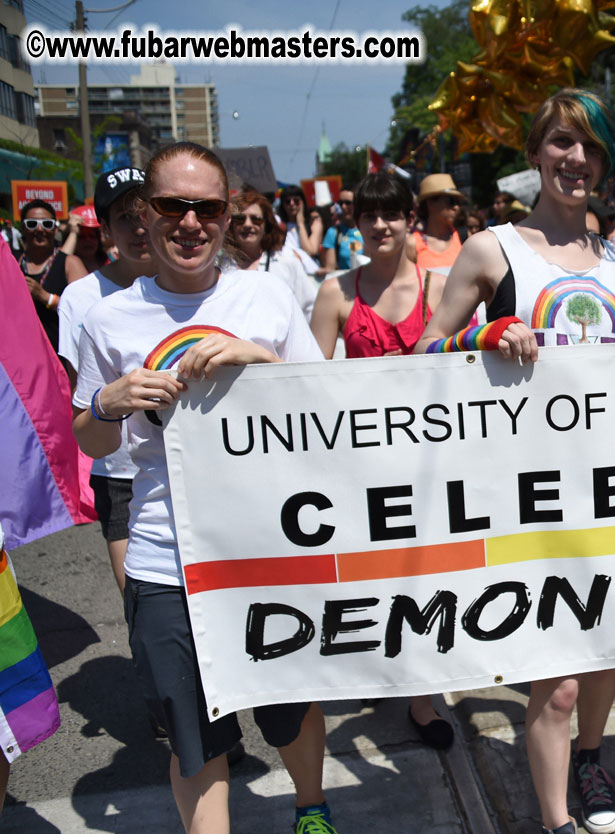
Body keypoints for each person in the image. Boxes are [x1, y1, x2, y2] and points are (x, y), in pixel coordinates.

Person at [417, 88, 615, 834]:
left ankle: (589, 757)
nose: (573, 158)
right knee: (555, 682)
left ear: (603, 159)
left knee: (607, 647)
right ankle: (554, 821)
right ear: (533, 154)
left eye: (587, 145)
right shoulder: (492, 249)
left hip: (611, 492)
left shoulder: (613, 257)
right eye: (558, 141)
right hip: (530, 499)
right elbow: (419, 352)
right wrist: (477, 340)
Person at [71, 143, 338, 834]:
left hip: (270, 546)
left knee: (287, 705)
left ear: (227, 215)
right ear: (144, 216)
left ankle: (310, 806)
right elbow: (92, 444)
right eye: (171, 206)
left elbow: (322, 415)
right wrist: (108, 401)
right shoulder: (109, 319)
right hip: (166, 559)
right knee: (193, 736)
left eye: (207, 207)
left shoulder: (265, 295)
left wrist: (261, 360)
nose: (190, 222)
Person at [309, 172, 452, 749]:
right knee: (373, 576)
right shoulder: (334, 293)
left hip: (431, 460)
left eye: (392, 214)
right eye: (370, 216)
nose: (381, 225)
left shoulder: (439, 286)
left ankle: (423, 695)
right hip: (361, 463)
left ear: (408, 219)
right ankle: (380, 658)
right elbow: (305, 380)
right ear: (357, 224)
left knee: (430, 571)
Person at [56, 167, 150, 596]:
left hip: (194, 462)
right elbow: (81, 392)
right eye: (123, 217)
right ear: (108, 230)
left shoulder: (194, 284)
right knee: (141, 605)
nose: (139, 226)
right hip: (120, 471)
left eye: (146, 210)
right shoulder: (81, 297)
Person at [225, 188, 320, 321]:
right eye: (240, 219)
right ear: (231, 225)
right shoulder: (220, 267)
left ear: (267, 225)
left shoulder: (287, 263)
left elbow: (311, 307)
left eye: (256, 219)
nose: (247, 224)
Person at [20, 199, 88, 351]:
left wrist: (45, 297)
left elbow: (85, 310)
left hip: (57, 355)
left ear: (56, 230)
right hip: (18, 355)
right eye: (32, 224)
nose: (39, 229)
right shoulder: (12, 262)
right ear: (23, 228)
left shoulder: (69, 263)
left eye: (47, 224)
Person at [408, 173, 468, 318]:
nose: (456, 207)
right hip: (424, 323)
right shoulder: (411, 243)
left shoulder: (464, 238)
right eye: (451, 201)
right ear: (430, 204)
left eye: (458, 203)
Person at [278, 185, 324, 276]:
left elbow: (310, 251)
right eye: (287, 201)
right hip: (287, 272)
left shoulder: (314, 223)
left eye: (296, 201)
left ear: (303, 202)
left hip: (309, 275)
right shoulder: (279, 225)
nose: (292, 204)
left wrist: (300, 224)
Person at [321, 189, 364, 272]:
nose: (344, 206)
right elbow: (330, 269)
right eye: (341, 203)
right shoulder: (333, 232)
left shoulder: (370, 229)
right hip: (346, 283)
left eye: (348, 203)